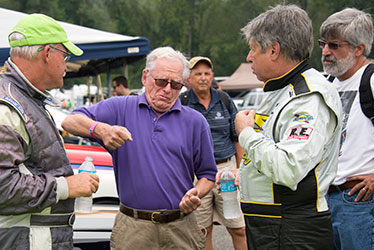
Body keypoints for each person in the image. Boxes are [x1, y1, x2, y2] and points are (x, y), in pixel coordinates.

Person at [62, 46, 218, 250]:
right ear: (145, 77)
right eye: (161, 81)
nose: (168, 90)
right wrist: (100, 129)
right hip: (134, 228)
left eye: (176, 85)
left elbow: (208, 174)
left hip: (181, 227)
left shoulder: (195, 122)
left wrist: (196, 193)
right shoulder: (120, 108)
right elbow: (70, 121)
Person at [218, 4, 343, 250]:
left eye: (253, 49)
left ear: (274, 50)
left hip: (292, 227)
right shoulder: (283, 89)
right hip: (274, 224)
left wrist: (246, 132)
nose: (249, 57)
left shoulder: (308, 97)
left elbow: (288, 169)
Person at [0, 13, 100, 250]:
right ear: (46, 53)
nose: (66, 66)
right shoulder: (8, 106)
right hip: (24, 240)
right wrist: (68, 186)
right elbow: (3, 188)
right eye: (64, 55)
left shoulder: (25, 99)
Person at [319, 8, 374, 250]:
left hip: (362, 201)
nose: (326, 52)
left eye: (334, 45)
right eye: (323, 44)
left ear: (359, 48)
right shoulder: (326, 83)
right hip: (326, 199)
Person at [182, 56, 247, 250]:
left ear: (212, 76)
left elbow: (237, 137)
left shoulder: (224, 100)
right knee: (203, 230)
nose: (203, 78)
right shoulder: (182, 102)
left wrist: (239, 169)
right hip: (196, 174)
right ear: (189, 79)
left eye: (207, 73)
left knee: (239, 228)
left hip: (226, 171)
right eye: (198, 74)